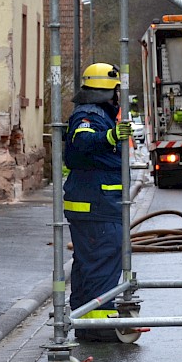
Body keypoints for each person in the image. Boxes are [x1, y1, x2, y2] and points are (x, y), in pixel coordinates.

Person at [63, 62, 132, 342]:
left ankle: (86, 319)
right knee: (103, 260)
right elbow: (82, 142)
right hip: (97, 206)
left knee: (89, 263)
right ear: (108, 92)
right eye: (117, 91)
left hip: (97, 205)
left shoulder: (97, 112)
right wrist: (112, 136)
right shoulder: (89, 114)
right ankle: (99, 324)